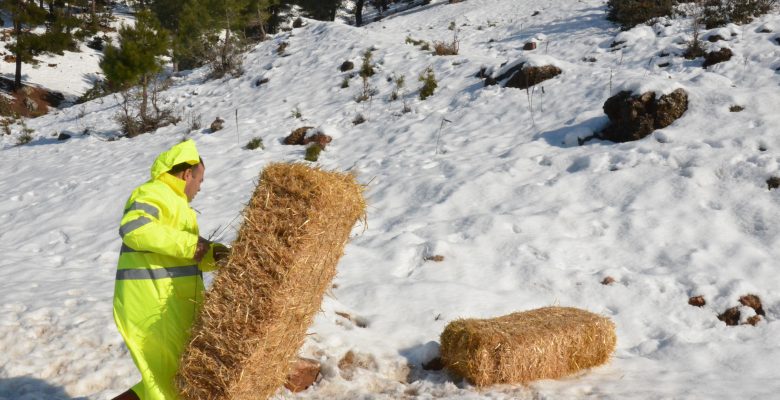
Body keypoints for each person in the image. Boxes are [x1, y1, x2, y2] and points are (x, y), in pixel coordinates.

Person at [111, 140, 227, 400]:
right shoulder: (153, 192)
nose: (199, 187)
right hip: (151, 305)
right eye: (199, 180)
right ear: (187, 174)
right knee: (169, 384)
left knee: (168, 381)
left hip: (171, 305)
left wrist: (215, 254)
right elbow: (135, 229)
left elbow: (181, 253)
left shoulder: (179, 206)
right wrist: (191, 245)